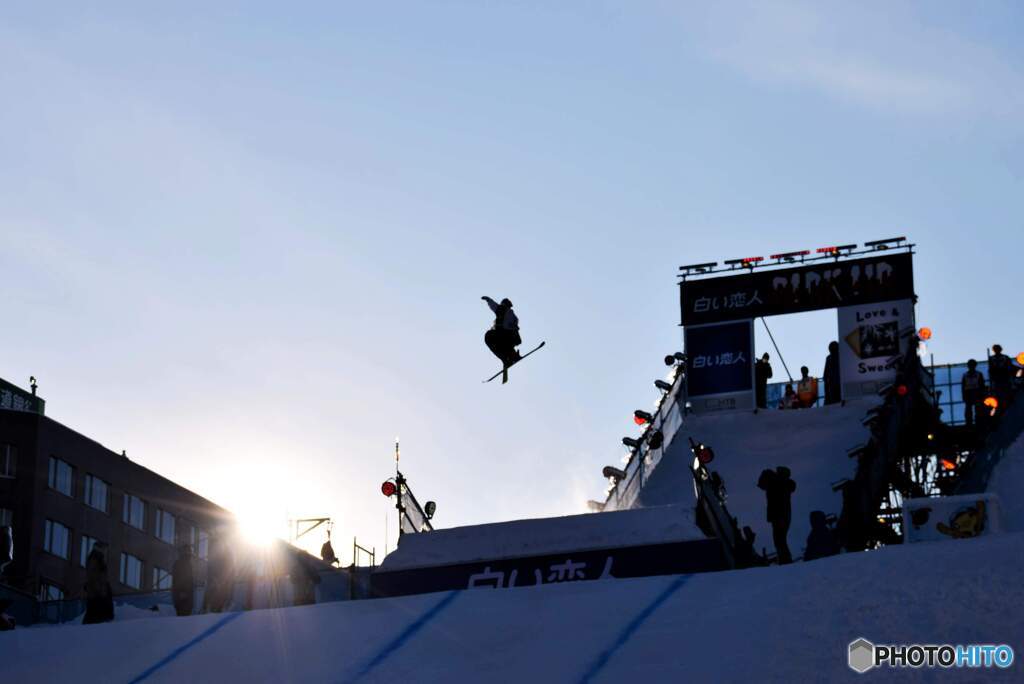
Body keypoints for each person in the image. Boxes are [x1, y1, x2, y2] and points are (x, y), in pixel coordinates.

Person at [757, 466, 796, 564]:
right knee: (780, 540)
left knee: (779, 540)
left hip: (779, 517)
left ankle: (785, 561)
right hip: (783, 516)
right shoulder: (781, 483)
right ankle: (785, 560)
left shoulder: (775, 484)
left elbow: (775, 502)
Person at [481, 296, 522, 367]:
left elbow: (494, 305)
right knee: (496, 342)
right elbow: (494, 305)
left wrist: (488, 299)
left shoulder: (505, 311)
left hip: (504, 335)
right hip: (503, 336)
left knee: (492, 339)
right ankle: (509, 358)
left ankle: (510, 357)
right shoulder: (511, 315)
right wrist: (488, 299)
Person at [82, 543, 114, 624]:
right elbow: (94, 576)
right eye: (104, 549)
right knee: (95, 610)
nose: (105, 551)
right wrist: (101, 589)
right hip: (97, 591)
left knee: (95, 610)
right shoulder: (95, 558)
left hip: (98, 591)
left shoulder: (98, 558)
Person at [961, 359, 986, 428]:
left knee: (977, 409)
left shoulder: (978, 374)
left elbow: (982, 385)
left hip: (976, 392)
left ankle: (977, 422)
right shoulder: (966, 375)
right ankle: (969, 423)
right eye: (970, 365)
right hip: (969, 393)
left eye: (972, 365)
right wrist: (964, 395)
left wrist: (982, 394)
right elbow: (963, 386)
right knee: (969, 410)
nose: (971, 366)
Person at [172, 544, 195, 616]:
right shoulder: (180, 563)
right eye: (188, 551)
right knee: (183, 617)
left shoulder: (187, 564)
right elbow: (178, 579)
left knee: (184, 617)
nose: (190, 553)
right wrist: (182, 592)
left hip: (186, 596)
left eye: (190, 551)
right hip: (183, 596)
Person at [988, 344, 1012, 409]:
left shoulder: (1005, 357)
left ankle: (1007, 404)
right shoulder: (991, 358)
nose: (997, 350)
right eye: (995, 349)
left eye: (997, 349)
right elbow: (991, 369)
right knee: (998, 393)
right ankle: (1001, 405)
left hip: (1004, 377)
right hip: (997, 378)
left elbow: (1009, 367)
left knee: (1005, 392)